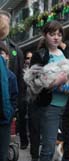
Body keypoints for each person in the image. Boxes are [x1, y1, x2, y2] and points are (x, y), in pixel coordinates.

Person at [28, 20, 69, 161]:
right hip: (50, 107)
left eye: (59, 34)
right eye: (52, 34)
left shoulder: (67, 54)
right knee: (48, 149)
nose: (56, 37)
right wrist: (54, 83)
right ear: (45, 35)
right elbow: (33, 83)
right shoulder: (40, 55)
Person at [0, 10, 25, 148]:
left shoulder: (16, 49)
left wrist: (14, 107)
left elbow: (20, 79)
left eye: (6, 23)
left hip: (8, 102)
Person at [0, 38, 18, 161]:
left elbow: (14, 98)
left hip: (4, 122)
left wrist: (9, 113)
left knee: (2, 158)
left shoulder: (11, 76)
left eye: (3, 53)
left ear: (7, 56)